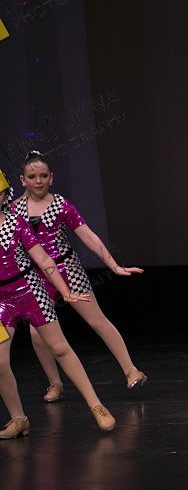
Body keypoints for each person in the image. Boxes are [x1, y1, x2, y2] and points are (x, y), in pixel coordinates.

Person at [12, 151, 146, 403]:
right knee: (37, 334)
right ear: (22, 180)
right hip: (36, 275)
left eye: (43, 176)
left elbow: (89, 237)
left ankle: (131, 369)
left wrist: (114, 266)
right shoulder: (14, 210)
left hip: (67, 269)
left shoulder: (62, 205)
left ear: (52, 177)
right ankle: (55, 383)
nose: (38, 181)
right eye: (32, 177)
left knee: (97, 320)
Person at [0, 170, 115, 438]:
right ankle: (18, 419)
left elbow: (43, 259)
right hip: (1, 301)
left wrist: (65, 291)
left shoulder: (16, 223)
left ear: (4, 195)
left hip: (30, 291)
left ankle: (96, 405)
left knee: (59, 348)